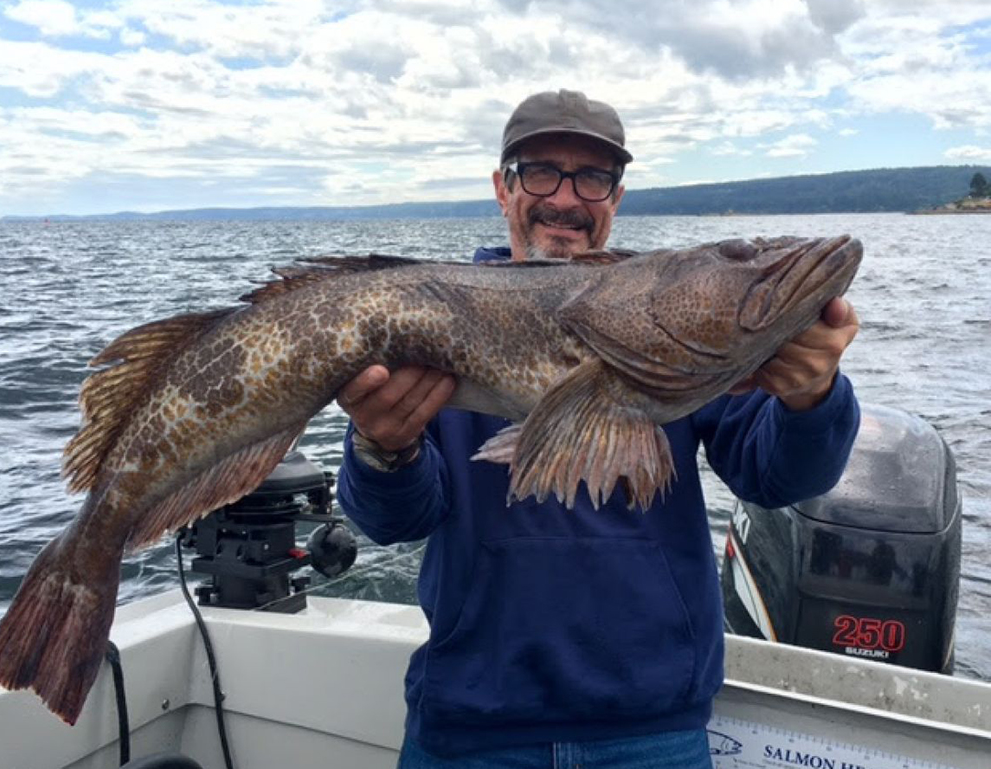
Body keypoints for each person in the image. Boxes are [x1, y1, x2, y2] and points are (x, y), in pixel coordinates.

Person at [336, 89, 861, 768]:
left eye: (593, 178)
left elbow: (778, 475)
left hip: (653, 729)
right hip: (470, 727)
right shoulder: (434, 314)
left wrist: (812, 394)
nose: (566, 197)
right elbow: (394, 520)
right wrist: (382, 447)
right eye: (539, 171)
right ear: (503, 188)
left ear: (616, 198)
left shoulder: (667, 314)